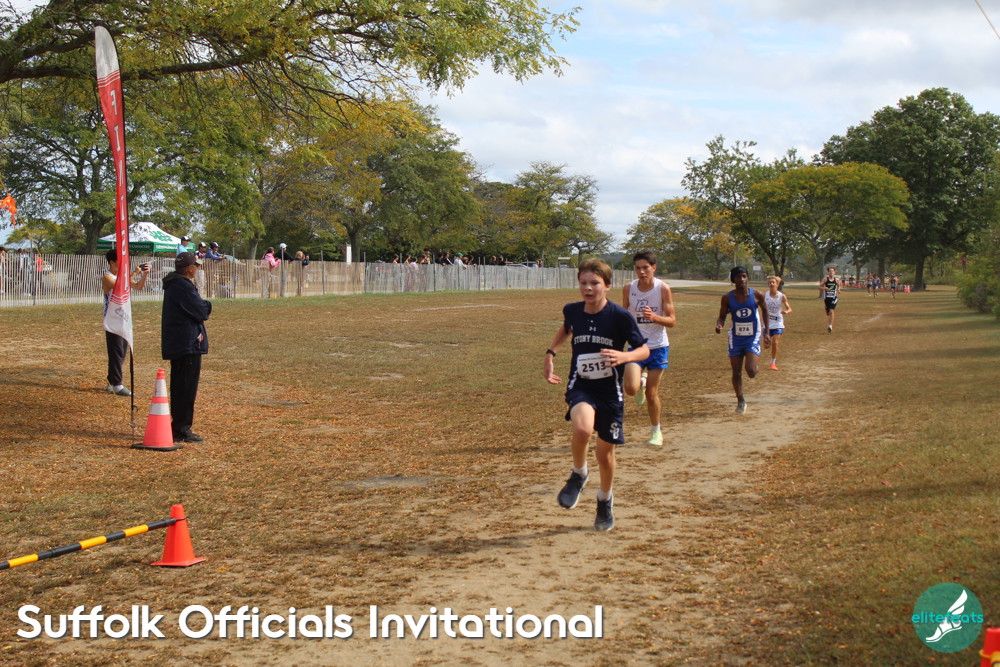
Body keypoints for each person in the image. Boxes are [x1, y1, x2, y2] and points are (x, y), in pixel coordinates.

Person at [543, 258, 649, 532]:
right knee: (582, 428)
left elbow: (643, 350)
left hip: (610, 392)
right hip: (582, 384)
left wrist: (625, 356)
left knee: (604, 454)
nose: (588, 288)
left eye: (594, 283)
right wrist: (551, 353)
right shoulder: (572, 310)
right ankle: (579, 474)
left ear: (607, 286)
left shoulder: (619, 316)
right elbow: (566, 328)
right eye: (583, 283)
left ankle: (604, 500)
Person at [621, 250, 676, 447]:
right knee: (630, 388)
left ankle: (656, 432)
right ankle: (640, 383)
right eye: (638, 268)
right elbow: (623, 314)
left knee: (652, 394)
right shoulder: (629, 288)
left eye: (645, 268)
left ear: (654, 268)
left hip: (658, 346)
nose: (642, 272)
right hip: (636, 346)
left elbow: (672, 321)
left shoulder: (663, 289)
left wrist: (654, 317)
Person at [161, 252, 211, 443]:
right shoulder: (182, 285)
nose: (197, 269)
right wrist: (207, 305)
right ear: (190, 268)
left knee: (181, 386)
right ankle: (181, 429)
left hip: (180, 341)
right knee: (186, 388)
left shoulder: (174, 284)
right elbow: (201, 311)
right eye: (196, 266)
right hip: (187, 343)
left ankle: (179, 426)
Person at [715, 266, 770, 414]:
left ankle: (755, 365)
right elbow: (722, 316)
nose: (742, 279)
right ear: (733, 280)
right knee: (736, 371)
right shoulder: (727, 298)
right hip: (736, 338)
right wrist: (719, 324)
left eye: (744, 276)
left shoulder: (757, 295)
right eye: (738, 277)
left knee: (751, 371)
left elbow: (765, 311)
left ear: (748, 278)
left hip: (752, 336)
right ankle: (740, 400)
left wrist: (767, 332)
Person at [102, 249, 150, 396]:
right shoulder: (107, 277)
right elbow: (119, 288)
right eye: (120, 262)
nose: (124, 265)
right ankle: (117, 384)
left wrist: (144, 275)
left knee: (121, 351)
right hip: (112, 319)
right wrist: (134, 273)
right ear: (112, 262)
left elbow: (138, 286)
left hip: (123, 318)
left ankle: (111, 381)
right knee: (116, 351)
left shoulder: (122, 278)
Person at [763, 275, 793, 370]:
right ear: (768, 285)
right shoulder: (764, 295)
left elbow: (789, 308)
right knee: (766, 345)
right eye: (770, 283)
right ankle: (767, 344)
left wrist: (786, 311)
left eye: (773, 282)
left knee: (775, 342)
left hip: (778, 322)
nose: (771, 284)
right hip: (767, 323)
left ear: (777, 284)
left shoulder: (782, 296)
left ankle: (773, 362)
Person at [819, 266, 841, 332]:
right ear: (828, 272)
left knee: (831, 311)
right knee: (828, 313)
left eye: (832, 271)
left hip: (834, 298)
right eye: (830, 271)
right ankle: (827, 310)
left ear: (834, 272)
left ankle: (830, 326)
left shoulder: (836, 280)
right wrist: (824, 288)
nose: (831, 272)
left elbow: (839, 285)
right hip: (827, 298)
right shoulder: (825, 279)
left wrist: (839, 289)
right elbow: (819, 287)